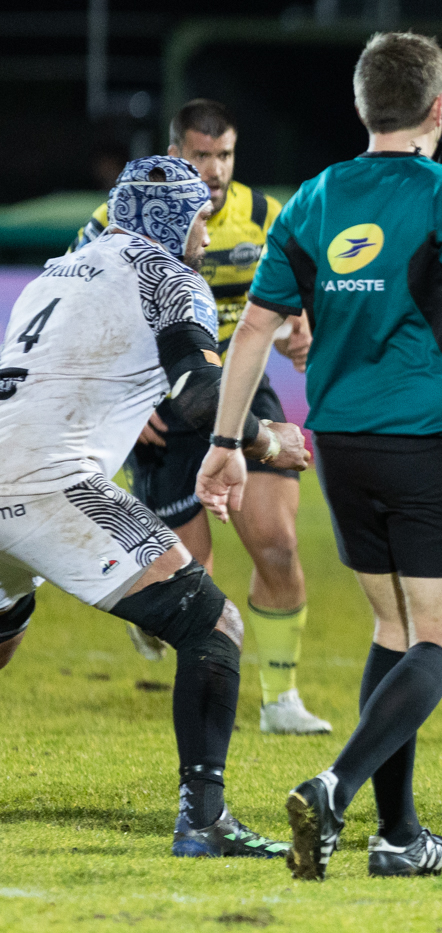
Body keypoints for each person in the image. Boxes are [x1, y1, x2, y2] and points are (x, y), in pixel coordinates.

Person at [196, 31, 442, 881]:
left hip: (341, 446)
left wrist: (226, 444)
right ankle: (334, 788)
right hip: (428, 446)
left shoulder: (313, 198)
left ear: (362, 105)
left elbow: (255, 328)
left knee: (396, 630)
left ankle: (399, 836)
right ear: (439, 107)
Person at [0, 155, 310, 857]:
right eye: (198, 216)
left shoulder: (57, 271)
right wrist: (266, 439)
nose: (206, 231)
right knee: (212, 624)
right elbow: (199, 394)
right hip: (51, 482)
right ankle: (204, 820)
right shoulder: (169, 277)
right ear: (170, 221)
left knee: (4, 633)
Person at [72, 99, 327, 735]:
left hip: (236, 393)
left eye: (225, 155)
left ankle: (280, 700)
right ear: (174, 154)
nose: (215, 170)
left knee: (277, 543)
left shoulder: (264, 215)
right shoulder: (116, 217)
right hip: (158, 405)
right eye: (201, 155)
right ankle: (161, 628)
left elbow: (300, 291)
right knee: (190, 576)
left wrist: (300, 326)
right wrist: (122, 407)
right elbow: (78, 311)